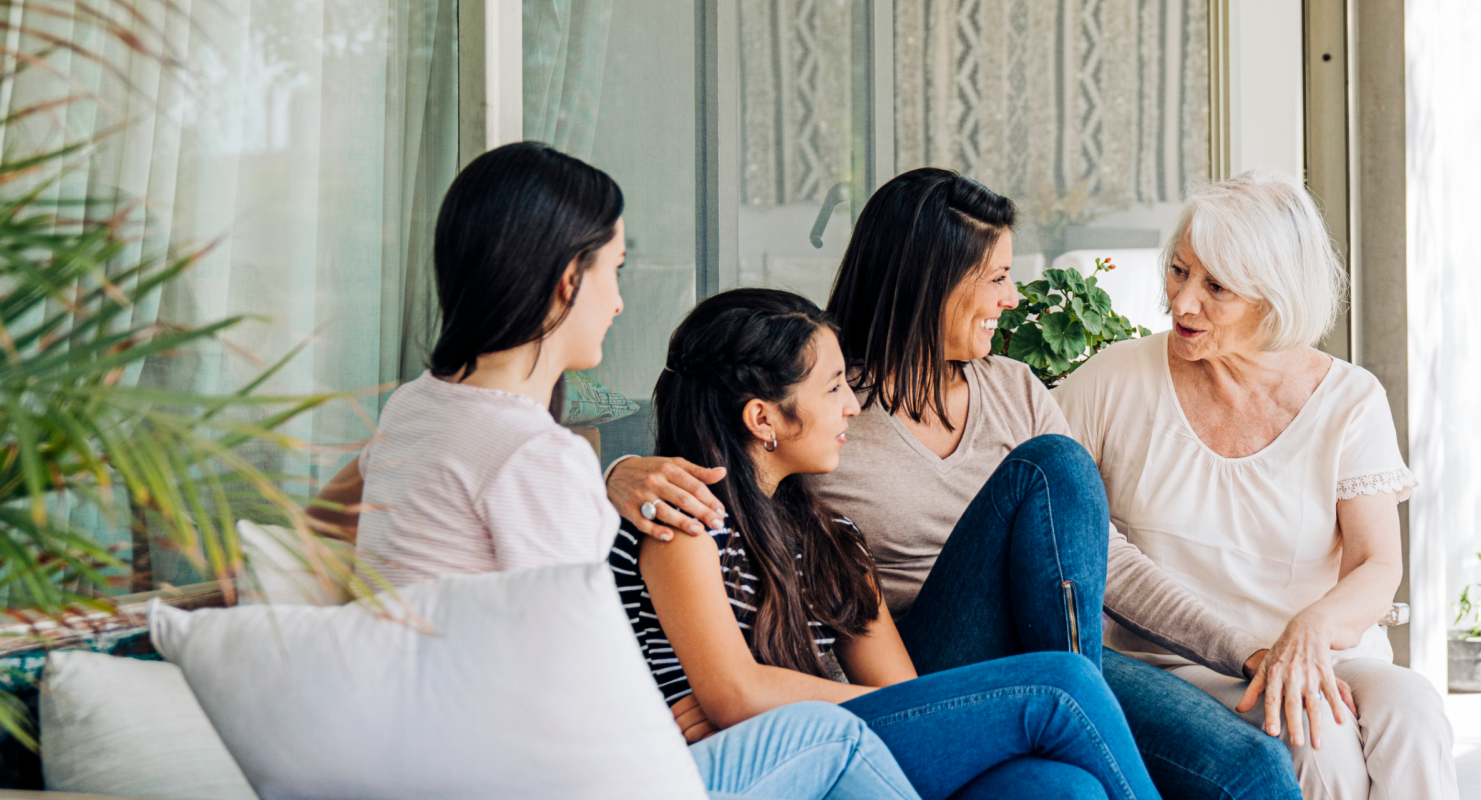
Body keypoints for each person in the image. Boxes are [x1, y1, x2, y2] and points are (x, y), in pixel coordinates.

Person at [606, 168, 1303, 800]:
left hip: (1027, 662)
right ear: (932, 282)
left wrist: (1242, 647)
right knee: (1062, 677)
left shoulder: (1004, 397)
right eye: (996, 276)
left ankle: (1062, 705)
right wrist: (616, 472)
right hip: (935, 667)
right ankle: (1060, 699)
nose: (1012, 295)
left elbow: (1103, 561)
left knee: (1207, 770)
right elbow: (713, 455)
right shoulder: (808, 429)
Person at [335, 141, 914, 800]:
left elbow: (321, 523)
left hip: (435, 755)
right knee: (837, 735)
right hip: (528, 777)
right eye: (616, 269)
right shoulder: (536, 458)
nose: (618, 301)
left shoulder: (416, 409)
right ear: (567, 282)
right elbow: (570, 676)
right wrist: (665, 724)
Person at [614, 286, 1165, 800]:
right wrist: (896, 710)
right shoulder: (684, 527)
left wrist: (892, 710)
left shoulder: (834, 542)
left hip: (851, 748)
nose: (852, 404)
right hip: (774, 770)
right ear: (763, 418)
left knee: (1061, 787)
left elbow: (900, 693)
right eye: (832, 387)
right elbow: (736, 696)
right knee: (1063, 685)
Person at [1053, 171, 1457, 800]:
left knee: (1415, 711)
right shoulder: (1115, 380)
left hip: (1324, 649)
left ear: (1276, 297)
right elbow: (1035, 490)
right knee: (1322, 751)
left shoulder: (1349, 400)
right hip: (1188, 662)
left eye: (1217, 287)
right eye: (1180, 271)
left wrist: (1312, 629)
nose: (1183, 302)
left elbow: (1377, 564)